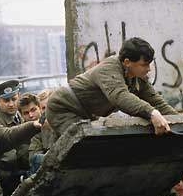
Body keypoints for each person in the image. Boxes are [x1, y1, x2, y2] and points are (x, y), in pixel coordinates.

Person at [46, 37, 178, 136]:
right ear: (127, 62)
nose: (148, 69)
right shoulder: (109, 68)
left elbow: (157, 102)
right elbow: (120, 97)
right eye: (144, 64)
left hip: (87, 112)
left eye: (149, 64)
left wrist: (178, 120)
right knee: (84, 151)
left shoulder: (138, 76)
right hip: (64, 108)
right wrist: (151, 113)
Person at [0, 79, 25, 196]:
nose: (11, 104)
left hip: (20, 173)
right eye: (6, 100)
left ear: (19, 97)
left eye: (14, 99)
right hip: (4, 180)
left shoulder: (20, 115)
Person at [19, 93, 58, 175]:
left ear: (39, 108)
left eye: (33, 110)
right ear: (21, 115)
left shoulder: (51, 124)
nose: (31, 115)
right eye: (26, 113)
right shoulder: (21, 134)